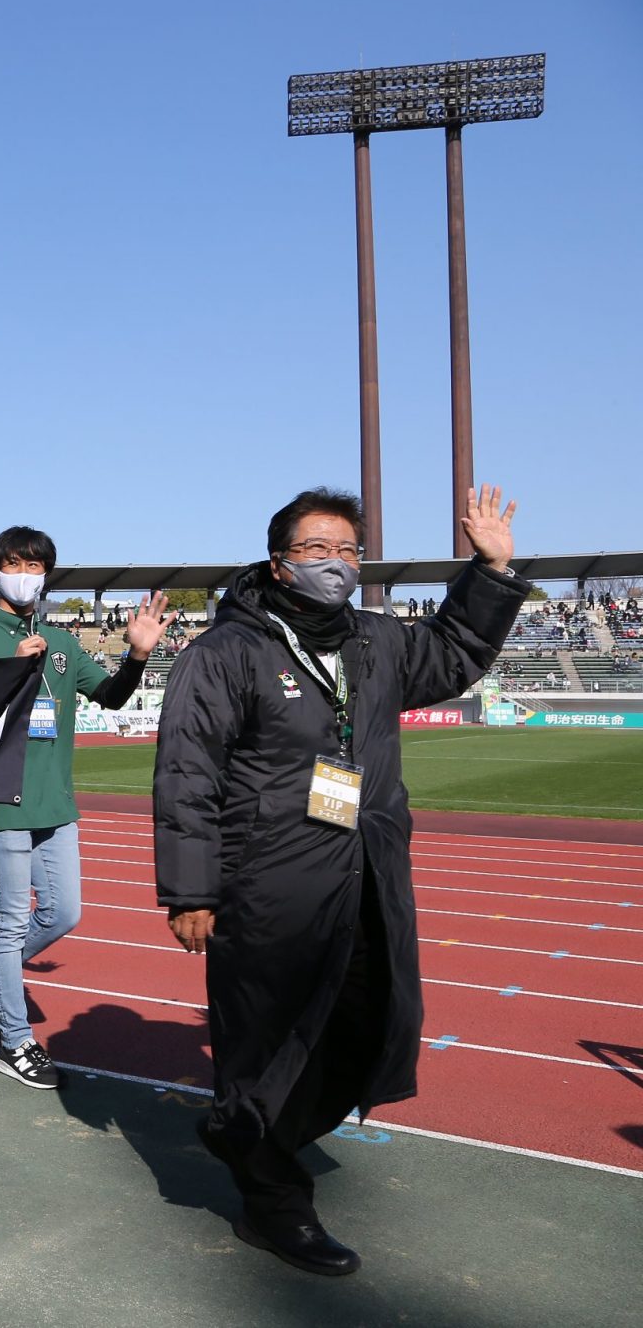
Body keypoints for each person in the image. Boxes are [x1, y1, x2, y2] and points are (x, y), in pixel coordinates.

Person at [154, 485, 525, 1276]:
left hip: (367, 874)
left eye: (349, 550)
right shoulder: (224, 652)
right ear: (278, 563)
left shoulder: (376, 640)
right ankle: (274, 1204)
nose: (336, 563)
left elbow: (454, 651)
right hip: (270, 883)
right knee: (267, 1043)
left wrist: (490, 572)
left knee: (363, 1022)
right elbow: (188, 773)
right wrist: (191, 890)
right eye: (316, 549)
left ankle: (243, 1131)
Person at [0, 526, 173, 1090]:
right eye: (14, 564)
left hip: (55, 802)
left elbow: (112, 696)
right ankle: (14, 1042)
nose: (25, 575)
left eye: (36, 566)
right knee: (8, 919)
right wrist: (10, 671)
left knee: (64, 914)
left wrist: (138, 654)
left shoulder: (62, 644)